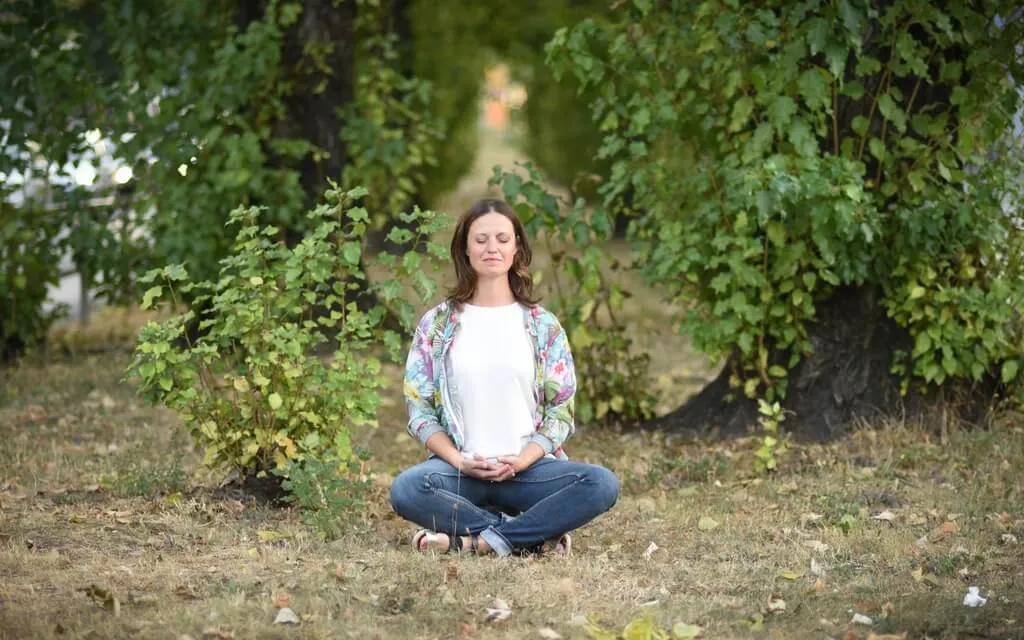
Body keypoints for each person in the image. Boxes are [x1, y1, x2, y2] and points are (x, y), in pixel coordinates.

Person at [389, 198, 620, 557]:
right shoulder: (437, 324)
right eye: (481, 240)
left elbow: (561, 412)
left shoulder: (543, 326)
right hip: (460, 473)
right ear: (465, 249)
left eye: (502, 239)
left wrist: (524, 460)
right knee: (407, 489)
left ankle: (476, 542)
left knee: (601, 484)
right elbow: (420, 411)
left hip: (529, 472)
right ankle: (527, 536)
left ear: (517, 248)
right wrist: (459, 460)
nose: (491, 248)